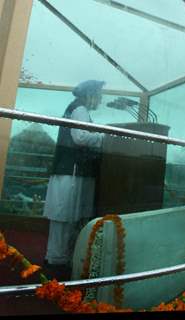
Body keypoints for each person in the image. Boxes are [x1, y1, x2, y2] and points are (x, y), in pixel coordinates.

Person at [43, 80, 105, 272]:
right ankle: (57, 263)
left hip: (69, 172)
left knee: (64, 219)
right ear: (90, 94)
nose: (101, 99)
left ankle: (56, 259)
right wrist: (106, 136)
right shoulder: (80, 110)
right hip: (72, 172)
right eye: (99, 95)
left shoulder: (74, 109)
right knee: (66, 218)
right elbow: (80, 138)